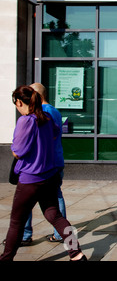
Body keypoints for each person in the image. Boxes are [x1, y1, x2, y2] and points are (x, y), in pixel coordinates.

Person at [0, 85, 86, 261]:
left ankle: (6, 258)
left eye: (15, 104)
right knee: (56, 216)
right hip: (49, 175)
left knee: (16, 222)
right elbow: (56, 134)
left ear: (18, 102)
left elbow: (18, 152)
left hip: (30, 178)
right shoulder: (47, 117)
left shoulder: (26, 121)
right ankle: (76, 253)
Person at [19, 83, 67, 244]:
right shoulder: (55, 111)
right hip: (56, 160)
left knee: (26, 200)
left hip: (41, 164)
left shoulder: (40, 113)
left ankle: (25, 235)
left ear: (37, 96)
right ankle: (61, 234)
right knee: (56, 198)